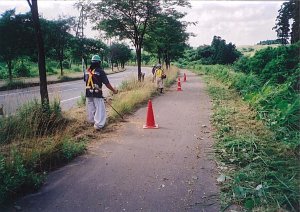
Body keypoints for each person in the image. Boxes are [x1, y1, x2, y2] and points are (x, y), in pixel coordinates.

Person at [84, 55, 118, 130]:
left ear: (92, 62)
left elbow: (86, 81)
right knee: (100, 109)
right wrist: (114, 91)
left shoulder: (87, 71)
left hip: (88, 93)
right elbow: (107, 84)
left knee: (90, 108)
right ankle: (98, 125)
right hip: (97, 92)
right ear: (99, 62)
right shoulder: (100, 71)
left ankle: (91, 122)